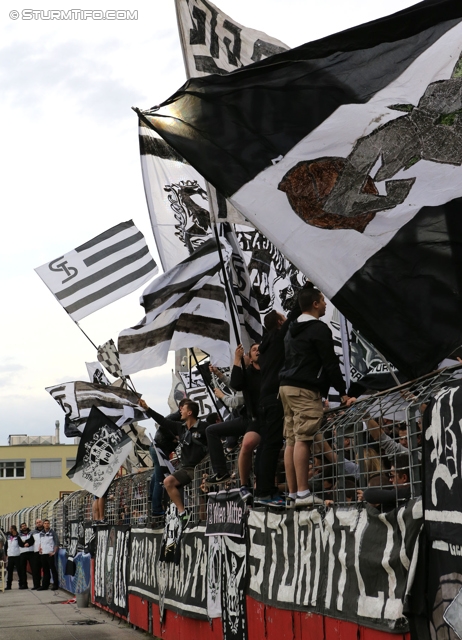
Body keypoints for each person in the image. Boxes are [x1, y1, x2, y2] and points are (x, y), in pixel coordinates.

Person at [279, 284, 355, 507]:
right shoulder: (319, 329)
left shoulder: (291, 330)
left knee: (291, 440)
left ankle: (293, 494)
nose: (324, 304)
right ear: (314, 304)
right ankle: (303, 492)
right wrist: (343, 392)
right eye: (322, 300)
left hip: (285, 387)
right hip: (304, 389)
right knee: (303, 438)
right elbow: (330, 364)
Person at [140, 398, 208, 528]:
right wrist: (147, 409)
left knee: (200, 496)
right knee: (167, 482)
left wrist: (207, 469)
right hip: (186, 468)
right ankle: (183, 513)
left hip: (200, 468)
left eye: (183, 408)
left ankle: (202, 523)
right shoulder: (180, 428)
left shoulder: (204, 427)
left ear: (190, 412)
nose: (180, 410)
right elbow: (163, 421)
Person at [205, 344, 261, 501]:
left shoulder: (255, 375)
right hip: (245, 419)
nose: (242, 357)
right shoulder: (245, 375)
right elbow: (235, 384)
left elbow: (236, 400)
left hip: (253, 419)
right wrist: (218, 374)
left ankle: (245, 483)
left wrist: (222, 396)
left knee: (247, 445)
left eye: (245, 355)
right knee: (211, 430)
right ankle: (221, 471)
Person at [37, 519, 59, 591]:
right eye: (45, 523)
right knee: (45, 570)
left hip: (50, 554)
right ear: (43, 524)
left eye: (48, 523)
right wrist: (39, 548)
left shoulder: (52, 532)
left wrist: (54, 552)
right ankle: (45, 585)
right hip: (43, 554)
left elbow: (56, 543)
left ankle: (55, 585)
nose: (46, 525)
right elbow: (40, 542)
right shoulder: (41, 533)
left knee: (53, 569)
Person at [5, 525, 23, 590]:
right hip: (10, 556)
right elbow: (6, 546)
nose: (10, 530)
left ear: (13, 529)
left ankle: (21, 584)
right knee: (9, 571)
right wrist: (6, 554)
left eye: (11, 529)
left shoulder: (18, 537)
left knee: (19, 571)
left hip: (17, 556)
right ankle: (8, 585)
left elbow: (21, 544)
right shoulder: (8, 537)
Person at [18, 522, 35, 589]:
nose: (24, 527)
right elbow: (19, 543)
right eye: (22, 526)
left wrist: (27, 542)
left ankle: (36, 584)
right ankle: (24, 584)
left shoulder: (31, 533)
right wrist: (24, 544)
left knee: (34, 569)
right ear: (20, 528)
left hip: (31, 552)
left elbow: (32, 540)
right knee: (22, 570)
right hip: (23, 553)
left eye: (25, 525)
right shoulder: (19, 535)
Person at [31, 518, 44, 589]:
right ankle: (36, 584)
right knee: (36, 569)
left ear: (42, 523)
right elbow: (30, 541)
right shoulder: (33, 532)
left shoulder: (46, 531)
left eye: (40, 522)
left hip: (45, 552)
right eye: (37, 522)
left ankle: (45, 584)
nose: (38, 523)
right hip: (36, 552)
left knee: (45, 569)